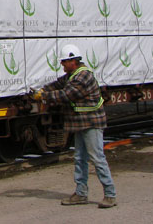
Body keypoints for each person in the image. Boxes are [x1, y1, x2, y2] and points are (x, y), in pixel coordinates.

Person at [33, 44, 117, 209]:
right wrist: (42, 89)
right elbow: (58, 84)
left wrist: (43, 96)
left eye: (64, 62)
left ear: (73, 61)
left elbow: (66, 94)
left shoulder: (82, 77)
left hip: (91, 123)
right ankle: (81, 193)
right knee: (80, 159)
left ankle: (110, 194)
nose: (62, 65)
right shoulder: (72, 75)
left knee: (97, 158)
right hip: (81, 123)